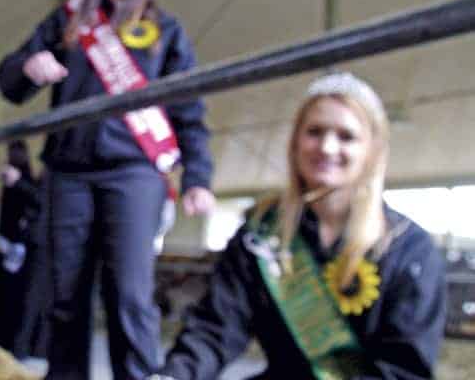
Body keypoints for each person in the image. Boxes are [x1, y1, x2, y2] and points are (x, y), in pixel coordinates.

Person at [0, 0, 215, 379]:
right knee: (65, 293)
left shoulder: (167, 34)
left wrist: (198, 178)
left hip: (135, 174)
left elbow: (189, 113)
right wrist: (28, 67)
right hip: (67, 172)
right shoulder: (69, 18)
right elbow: (9, 80)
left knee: (129, 293)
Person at [154, 73, 447, 380]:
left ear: (372, 150)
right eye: (315, 132)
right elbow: (216, 328)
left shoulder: (409, 249)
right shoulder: (259, 235)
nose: (327, 147)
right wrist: (172, 376)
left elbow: (405, 370)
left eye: (346, 136)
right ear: (295, 142)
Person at [0, 139, 49, 359]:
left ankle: (20, 346)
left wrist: (20, 182)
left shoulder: (37, 178)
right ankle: (4, 340)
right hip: (16, 241)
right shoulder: (36, 177)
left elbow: (39, 203)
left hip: (32, 243)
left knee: (28, 297)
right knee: (10, 294)